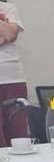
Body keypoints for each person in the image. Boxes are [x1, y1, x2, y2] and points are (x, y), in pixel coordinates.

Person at [0, 2, 27, 147]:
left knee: (19, 137)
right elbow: (7, 32)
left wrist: (6, 33)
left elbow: (10, 34)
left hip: (13, 78)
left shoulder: (8, 8)